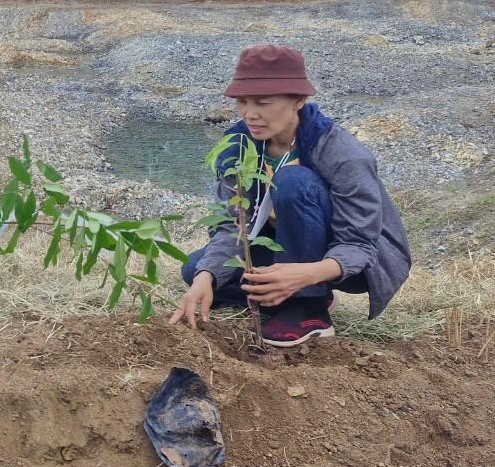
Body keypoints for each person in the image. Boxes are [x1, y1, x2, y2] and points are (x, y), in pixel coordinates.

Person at [169, 45, 411, 347]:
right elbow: (233, 224)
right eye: (242, 102)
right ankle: (283, 296)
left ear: (299, 100)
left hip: (351, 259)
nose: (250, 114)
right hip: (281, 243)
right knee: (196, 270)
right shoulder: (238, 145)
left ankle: (309, 309)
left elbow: (360, 244)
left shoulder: (343, 154)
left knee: (292, 181)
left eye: (263, 103)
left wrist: (306, 275)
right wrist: (207, 275)